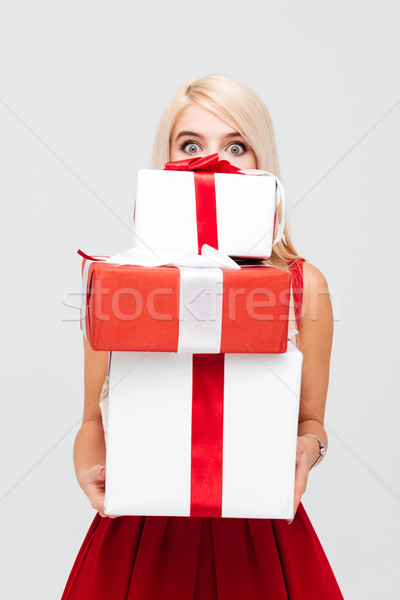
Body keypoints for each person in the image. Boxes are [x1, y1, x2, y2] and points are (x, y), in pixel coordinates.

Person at [61, 74, 344, 599]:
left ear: (262, 165)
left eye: (235, 146)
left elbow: (311, 422)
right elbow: (91, 419)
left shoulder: (304, 287)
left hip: (259, 533)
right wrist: (90, 466)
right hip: (143, 528)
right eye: (191, 145)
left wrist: (308, 449)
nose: (212, 164)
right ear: (165, 162)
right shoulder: (120, 284)